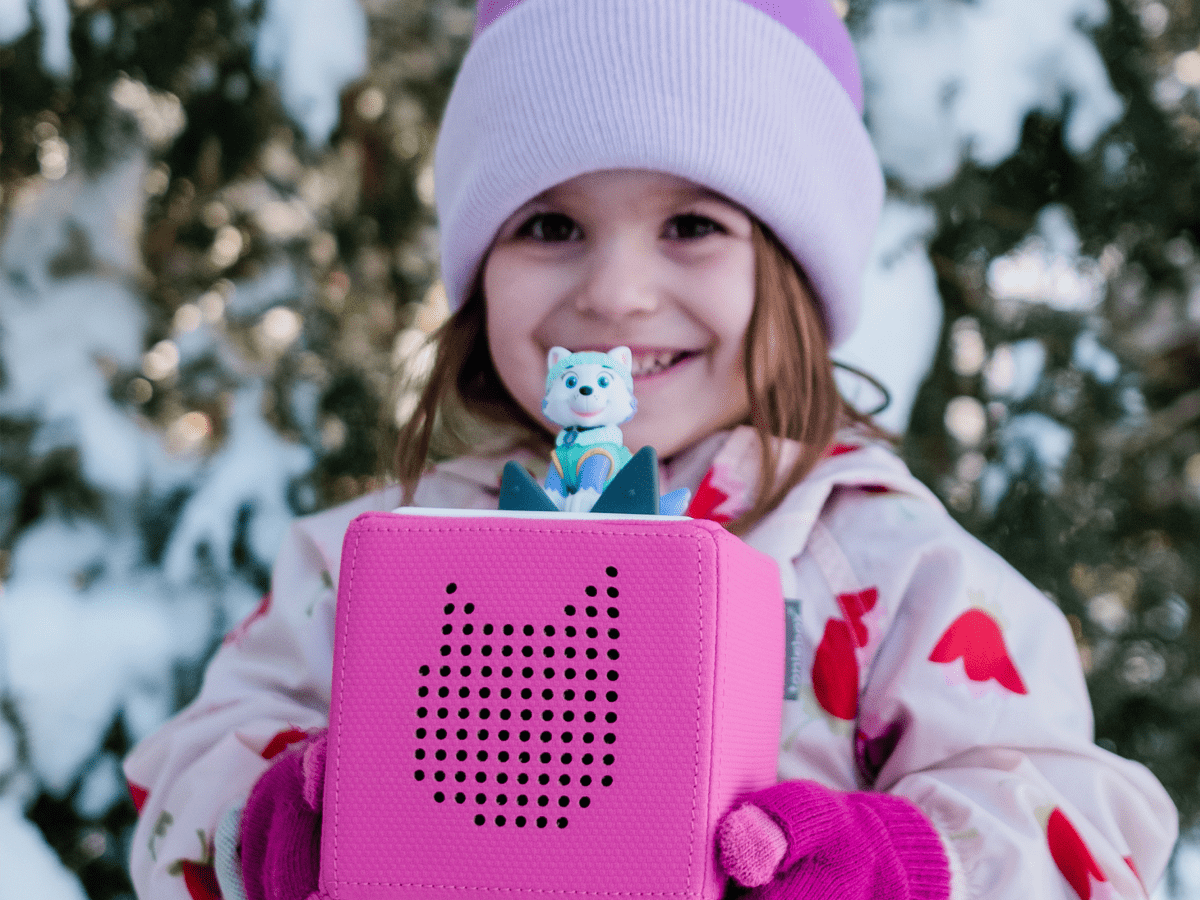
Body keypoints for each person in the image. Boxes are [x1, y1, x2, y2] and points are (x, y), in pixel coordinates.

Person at [123, 1, 1179, 898]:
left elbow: (1086, 832)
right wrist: (276, 826)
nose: (618, 294)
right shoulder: (371, 562)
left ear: (794, 275)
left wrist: (894, 864)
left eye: (691, 226)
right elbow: (181, 792)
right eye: (550, 226)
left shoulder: (894, 570)